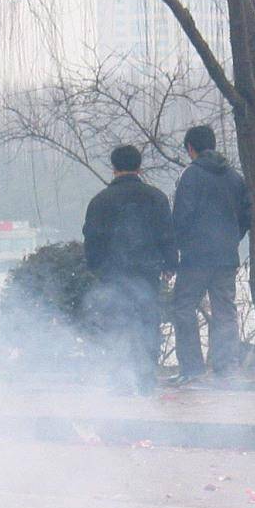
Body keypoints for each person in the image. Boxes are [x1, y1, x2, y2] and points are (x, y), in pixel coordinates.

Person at [82, 144, 177, 394]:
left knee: (116, 325)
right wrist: (169, 263)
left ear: (114, 168)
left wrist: (95, 266)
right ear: (139, 167)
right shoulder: (156, 198)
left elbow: (92, 238)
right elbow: (167, 234)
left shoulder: (100, 201)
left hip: (112, 274)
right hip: (146, 275)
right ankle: (145, 382)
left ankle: (119, 381)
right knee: (147, 324)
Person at [170, 125, 251, 384]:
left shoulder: (190, 175)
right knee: (225, 310)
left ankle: (192, 369)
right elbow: (246, 216)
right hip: (226, 257)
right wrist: (230, 240)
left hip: (196, 257)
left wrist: (181, 245)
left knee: (183, 307)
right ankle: (226, 368)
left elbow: (181, 216)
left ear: (191, 148)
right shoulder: (234, 177)